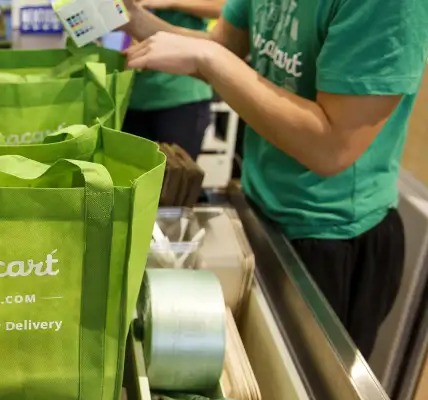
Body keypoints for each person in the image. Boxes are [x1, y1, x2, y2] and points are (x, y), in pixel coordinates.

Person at [120, 0, 428, 358]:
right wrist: (137, 21)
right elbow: (224, 46)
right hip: (257, 207)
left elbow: (331, 149)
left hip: (330, 234)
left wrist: (210, 58)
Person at [123, 0, 224, 160]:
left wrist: (172, 2)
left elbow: (228, 8)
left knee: (175, 179)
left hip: (180, 94)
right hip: (128, 92)